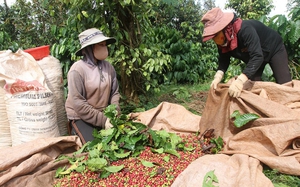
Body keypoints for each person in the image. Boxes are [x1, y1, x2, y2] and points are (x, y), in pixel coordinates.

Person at [201, 8, 292, 98]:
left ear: (225, 29)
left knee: (285, 86)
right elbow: (224, 60)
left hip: (273, 48)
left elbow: (257, 56)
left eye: (216, 35)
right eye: (213, 37)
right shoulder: (222, 41)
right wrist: (218, 77)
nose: (215, 40)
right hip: (255, 58)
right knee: (252, 89)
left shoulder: (244, 30)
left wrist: (240, 80)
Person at [65, 28, 121, 144]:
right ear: (89, 48)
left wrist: (115, 110)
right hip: (81, 117)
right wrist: (103, 120)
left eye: (105, 45)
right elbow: (79, 104)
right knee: (95, 148)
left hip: (103, 114)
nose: (104, 48)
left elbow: (114, 93)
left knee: (120, 142)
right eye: (100, 45)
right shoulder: (77, 70)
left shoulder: (108, 67)